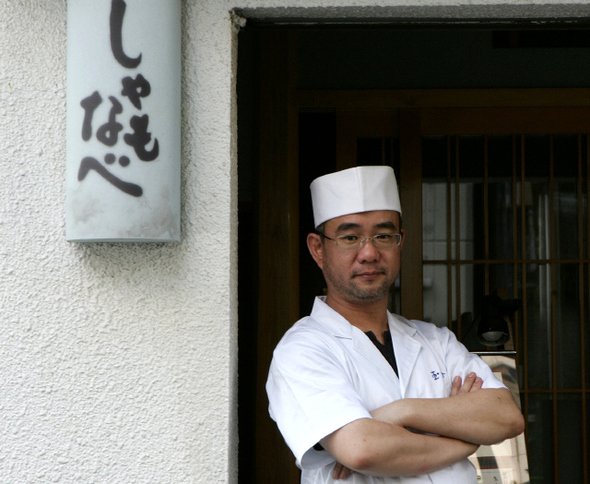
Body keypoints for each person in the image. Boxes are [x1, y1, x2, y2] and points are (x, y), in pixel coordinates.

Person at [266, 165, 525, 483]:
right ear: (318, 249)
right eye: (350, 238)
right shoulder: (303, 349)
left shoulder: (436, 341)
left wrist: (401, 411)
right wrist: (464, 438)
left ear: (400, 241)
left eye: (383, 235)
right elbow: (362, 449)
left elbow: (506, 417)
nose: (369, 253)